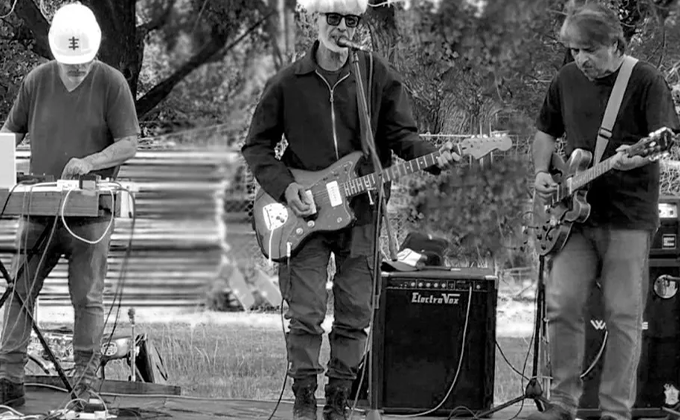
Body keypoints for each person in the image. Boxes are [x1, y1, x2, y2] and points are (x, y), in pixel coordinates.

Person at [241, 0, 459, 418]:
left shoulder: (375, 74)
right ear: (314, 19)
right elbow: (256, 147)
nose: (342, 27)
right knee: (305, 311)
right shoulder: (287, 82)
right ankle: (304, 397)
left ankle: (340, 398)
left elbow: (402, 136)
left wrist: (433, 157)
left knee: (356, 310)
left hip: (363, 207)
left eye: (351, 20)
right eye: (333, 18)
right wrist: (287, 188)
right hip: (305, 211)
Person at [530, 3, 679, 420]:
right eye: (575, 50)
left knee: (622, 316)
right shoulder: (566, 79)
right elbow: (544, 131)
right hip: (571, 219)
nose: (581, 59)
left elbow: (663, 138)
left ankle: (615, 412)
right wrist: (541, 173)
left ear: (615, 44)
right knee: (562, 304)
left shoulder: (645, 79)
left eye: (589, 51)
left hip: (627, 218)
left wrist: (637, 157)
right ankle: (562, 403)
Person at [0, 2, 139, 407]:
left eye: (83, 63)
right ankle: (8, 377)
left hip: (89, 214)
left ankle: (84, 386)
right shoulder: (37, 80)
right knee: (20, 289)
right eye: (69, 63)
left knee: (88, 297)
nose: (77, 69)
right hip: (38, 208)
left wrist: (91, 162)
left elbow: (129, 141)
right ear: (56, 52)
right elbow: (10, 132)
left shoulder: (112, 83)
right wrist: (3, 178)